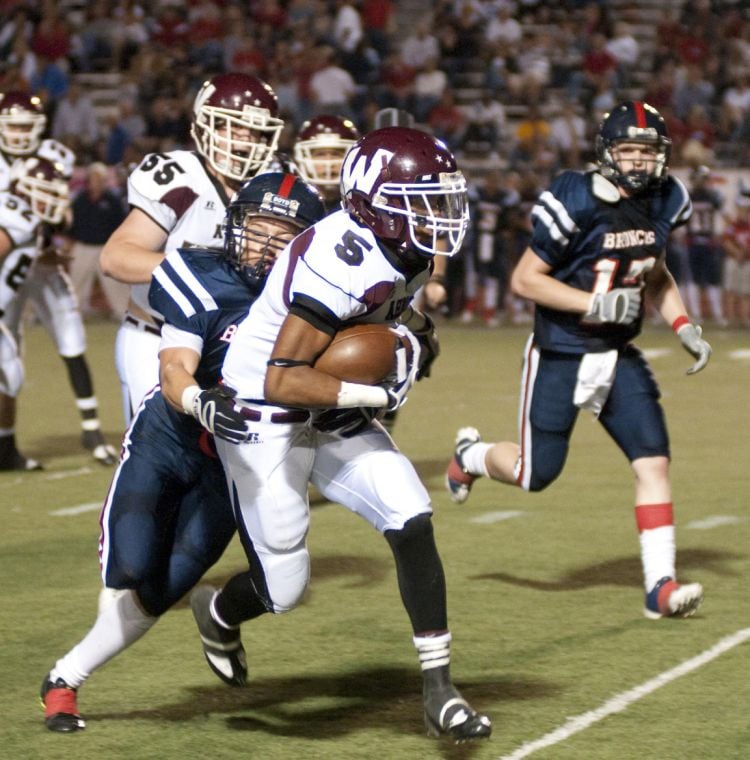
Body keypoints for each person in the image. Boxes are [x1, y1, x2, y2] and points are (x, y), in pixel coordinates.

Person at [188, 127, 492, 742]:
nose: (437, 215)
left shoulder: (401, 249)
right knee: (285, 587)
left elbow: (392, 316)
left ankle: (438, 690)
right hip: (263, 411)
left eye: (440, 199)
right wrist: (376, 392)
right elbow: (281, 378)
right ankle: (217, 609)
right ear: (371, 204)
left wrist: (413, 340)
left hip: (325, 401)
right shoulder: (341, 258)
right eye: (419, 201)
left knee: (411, 516)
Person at [40, 172, 326, 732]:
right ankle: (68, 673)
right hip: (171, 436)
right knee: (129, 566)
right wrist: (199, 398)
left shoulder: (317, 301)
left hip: (234, 466)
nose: (266, 244)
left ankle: (63, 681)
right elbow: (174, 369)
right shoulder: (201, 274)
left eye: (283, 234)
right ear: (234, 226)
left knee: (163, 586)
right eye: (258, 228)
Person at [445, 102, 709, 620]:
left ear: (662, 156)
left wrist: (683, 325)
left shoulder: (668, 199)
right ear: (607, 153)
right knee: (533, 474)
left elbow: (654, 274)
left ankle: (660, 587)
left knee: (653, 462)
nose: (637, 161)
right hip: (561, 353)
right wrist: (592, 302)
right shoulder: (576, 197)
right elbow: (525, 279)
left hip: (617, 354)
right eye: (627, 150)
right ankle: (471, 456)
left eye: (646, 151)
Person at [99, 72, 285, 426]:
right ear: (204, 126)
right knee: (161, 466)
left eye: (255, 132)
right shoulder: (181, 176)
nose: (244, 141)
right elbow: (117, 257)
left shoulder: (273, 184)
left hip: (237, 345)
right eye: (232, 128)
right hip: (156, 337)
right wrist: (204, 273)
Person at [0, 90, 118, 468]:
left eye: (25, 126)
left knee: (69, 338)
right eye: (12, 126)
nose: (19, 134)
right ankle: (6, 443)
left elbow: (59, 213)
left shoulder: (54, 157)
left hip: (42, 261)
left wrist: (46, 239)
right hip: (9, 258)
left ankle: (92, 432)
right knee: (9, 356)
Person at [0, 156, 69, 470]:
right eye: (44, 191)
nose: (52, 198)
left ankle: (5, 450)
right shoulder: (18, 215)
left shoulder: (31, 222)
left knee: (11, 374)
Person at [65, 162, 129, 320]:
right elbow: (71, 222)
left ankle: (124, 313)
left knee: (115, 283)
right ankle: (75, 314)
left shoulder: (112, 200)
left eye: (100, 179)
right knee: (77, 283)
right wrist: (70, 241)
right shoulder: (80, 200)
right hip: (83, 246)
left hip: (105, 247)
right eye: (94, 178)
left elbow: (121, 224)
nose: (97, 182)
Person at [292, 114, 359, 212]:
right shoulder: (292, 201)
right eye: (320, 154)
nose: (329, 162)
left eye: (336, 154)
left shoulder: (364, 206)